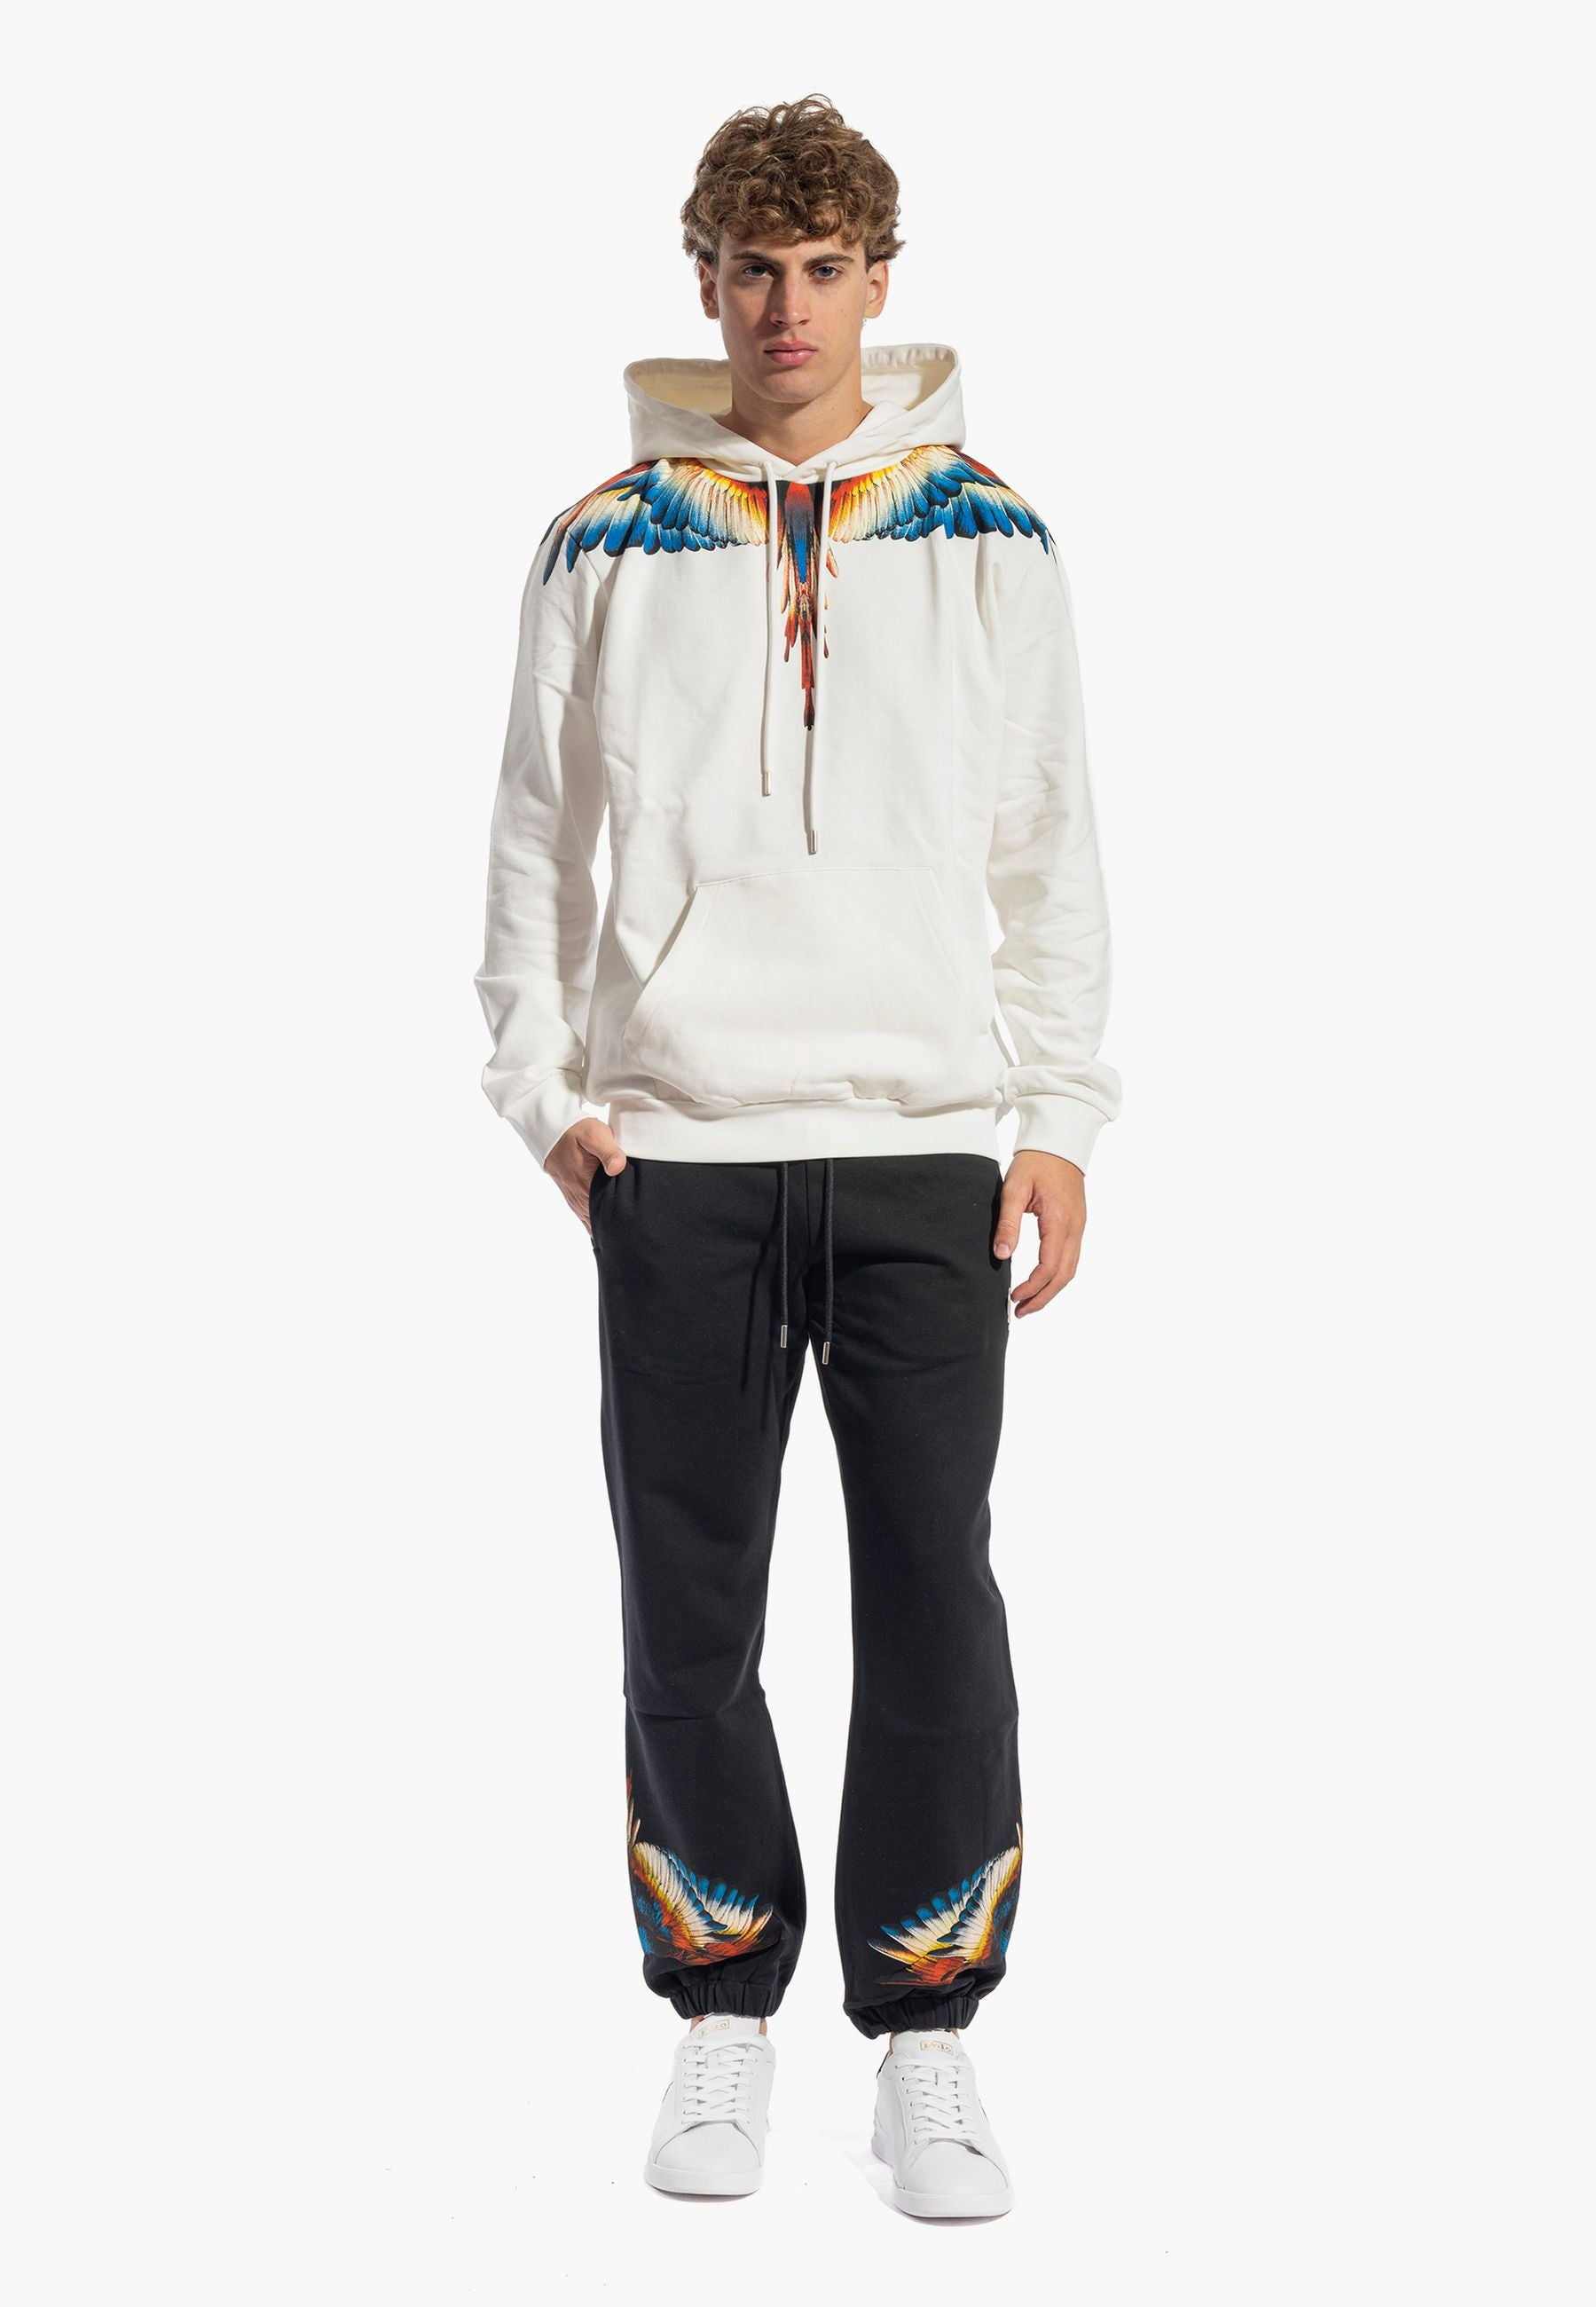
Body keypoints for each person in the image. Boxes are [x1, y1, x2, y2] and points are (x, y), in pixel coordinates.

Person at [476, 92, 1120, 2219]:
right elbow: (538, 836)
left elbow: (1047, 842)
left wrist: (1057, 1115)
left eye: (825, 268)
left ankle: (926, 2030)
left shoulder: (992, 537)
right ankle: (720, 2000)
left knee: (936, 1593)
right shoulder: (603, 541)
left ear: (878, 281)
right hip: (679, 1152)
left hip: (927, 1146)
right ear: (705, 279)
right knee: (690, 1603)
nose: (787, 308)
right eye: (755, 268)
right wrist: (545, 1087)